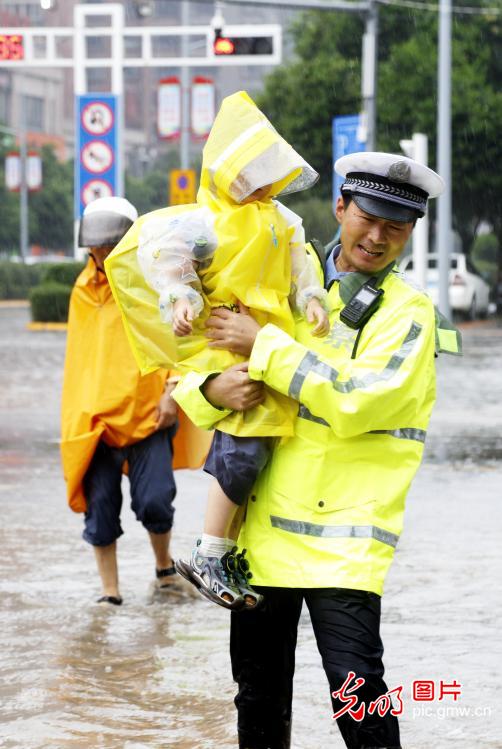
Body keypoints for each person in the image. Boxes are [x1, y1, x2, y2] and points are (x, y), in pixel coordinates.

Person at [172, 152, 461, 748]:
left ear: (411, 233)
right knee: (258, 701)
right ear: (340, 208)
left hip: (346, 547)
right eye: (368, 218)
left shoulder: (409, 314)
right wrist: (211, 389)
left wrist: (266, 346)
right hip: (258, 542)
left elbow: (360, 400)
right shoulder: (277, 275)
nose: (377, 237)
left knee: (360, 702)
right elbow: (198, 365)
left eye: (397, 227)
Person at [106, 91, 329, 610]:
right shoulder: (201, 222)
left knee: (261, 449)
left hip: (272, 343)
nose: (256, 182)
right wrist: (181, 296)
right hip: (228, 347)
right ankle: (211, 548)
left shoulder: (284, 221)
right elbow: (170, 260)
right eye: (246, 169)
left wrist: (313, 299)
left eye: (263, 169)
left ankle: (224, 549)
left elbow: (302, 270)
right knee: (244, 447)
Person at [60, 197, 211, 606]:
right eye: (96, 247)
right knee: (101, 510)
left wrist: (170, 393)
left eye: (110, 245)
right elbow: (82, 362)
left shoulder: (152, 285)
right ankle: (110, 593)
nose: (102, 254)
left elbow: (176, 344)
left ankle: (164, 572)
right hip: (98, 421)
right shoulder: (83, 292)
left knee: (156, 500)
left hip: (149, 411)